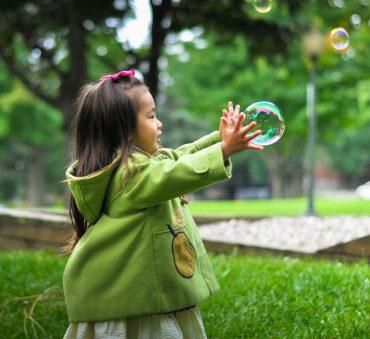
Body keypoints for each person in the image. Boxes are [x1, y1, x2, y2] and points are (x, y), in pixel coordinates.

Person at [61, 69, 263, 339]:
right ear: (126, 131)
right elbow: (178, 172)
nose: (160, 124)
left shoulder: (139, 165)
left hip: (142, 297)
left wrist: (219, 139)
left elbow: (180, 157)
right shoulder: (131, 175)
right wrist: (223, 150)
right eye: (152, 116)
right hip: (133, 306)